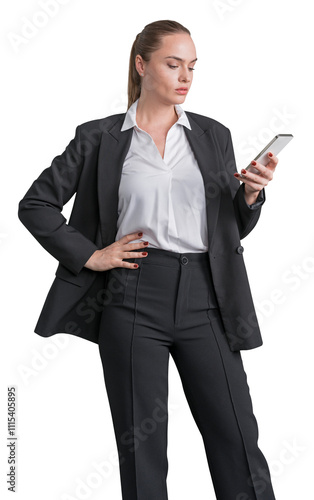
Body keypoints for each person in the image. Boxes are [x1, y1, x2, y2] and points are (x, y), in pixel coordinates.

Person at [18, 19, 278, 500]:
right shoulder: (98, 138)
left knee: (237, 435)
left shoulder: (212, 135)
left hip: (208, 298)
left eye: (192, 67)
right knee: (142, 448)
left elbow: (229, 229)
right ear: (142, 65)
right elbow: (35, 204)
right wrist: (92, 256)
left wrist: (249, 195)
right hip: (132, 294)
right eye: (173, 64)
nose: (185, 77)